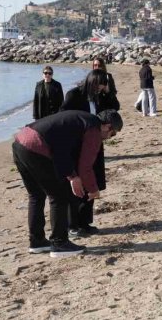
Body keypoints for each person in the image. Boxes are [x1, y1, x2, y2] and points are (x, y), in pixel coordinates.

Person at [12, 109, 123, 257]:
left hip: (20, 141)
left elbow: (62, 147)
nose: (109, 138)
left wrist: (71, 175)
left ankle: (37, 242)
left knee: (36, 195)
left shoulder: (81, 119)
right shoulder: (93, 130)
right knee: (59, 197)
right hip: (37, 147)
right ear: (106, 126)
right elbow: (85, 166)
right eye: (112, 133)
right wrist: (92, 189)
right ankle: (60, 243)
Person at [59, 70, 119, 237]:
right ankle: (73, 224)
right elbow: (63, 117)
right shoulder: (74, 95)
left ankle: (85, 222)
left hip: (95, 142)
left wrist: (108, 93)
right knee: (78, 184)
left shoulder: (100, 96)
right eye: (100, 85)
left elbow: (114, 109)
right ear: (92, 82)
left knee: (93, 181)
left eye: (103, 86)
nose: (101, 88)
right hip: (77, 145)